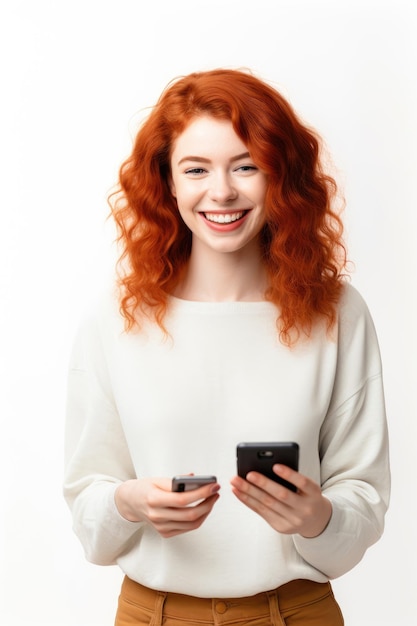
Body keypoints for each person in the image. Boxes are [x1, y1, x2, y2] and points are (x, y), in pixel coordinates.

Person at [63, 69, 390, 626]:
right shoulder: (116, 315)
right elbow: (89, 512)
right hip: (153, 614)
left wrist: (316, 518)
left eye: (246, 166)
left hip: (296, 612)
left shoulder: (338, 312)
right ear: (167, 181)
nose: (222, 192)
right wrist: (131, 502)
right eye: (196, 169)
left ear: (279, 175)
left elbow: (363, 498)